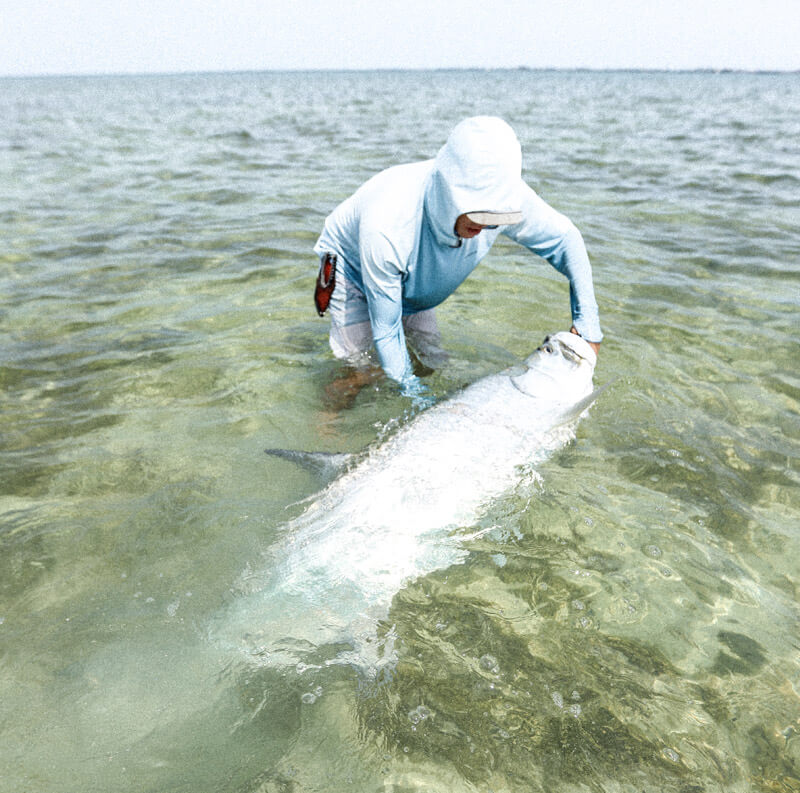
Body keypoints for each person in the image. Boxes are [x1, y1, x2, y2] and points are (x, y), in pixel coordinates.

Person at [313, 116, 602, 398]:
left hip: (414, 282)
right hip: (355, 275)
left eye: (495, 219)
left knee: (431, 363)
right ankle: (328, 423)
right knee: (365, 370)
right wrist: (414, 399)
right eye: (478, 216)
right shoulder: (389, 222)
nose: (486, 228)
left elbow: (567, 241)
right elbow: (387, 330)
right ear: (451, 195)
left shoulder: (504, 196)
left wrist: (589, 326)